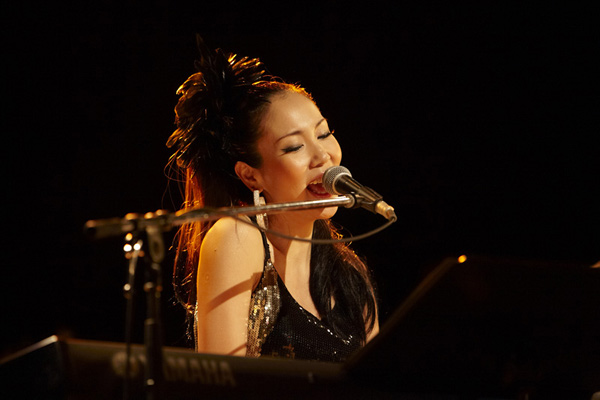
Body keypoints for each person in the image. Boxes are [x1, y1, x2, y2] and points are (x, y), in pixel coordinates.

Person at [167, 37, 379, 362]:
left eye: (323, 133)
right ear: (251, 176)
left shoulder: (350, 276)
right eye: (294, 147)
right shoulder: (236, 237)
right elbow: (222, 381)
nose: (323, 155)